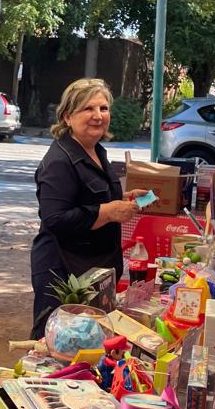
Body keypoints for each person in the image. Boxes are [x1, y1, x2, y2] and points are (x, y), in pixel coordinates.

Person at [30, 78, 148, 338]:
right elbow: (55, 219)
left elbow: (88, 198)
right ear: (67, 116)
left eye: (103, 108)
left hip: (95, 271)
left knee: (92, 345)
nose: (98, 116)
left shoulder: (96, 150)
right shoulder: (59, 161)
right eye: (88, 109)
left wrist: (125, 199)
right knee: (57, 347)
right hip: (64, 273)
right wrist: (107, 212)